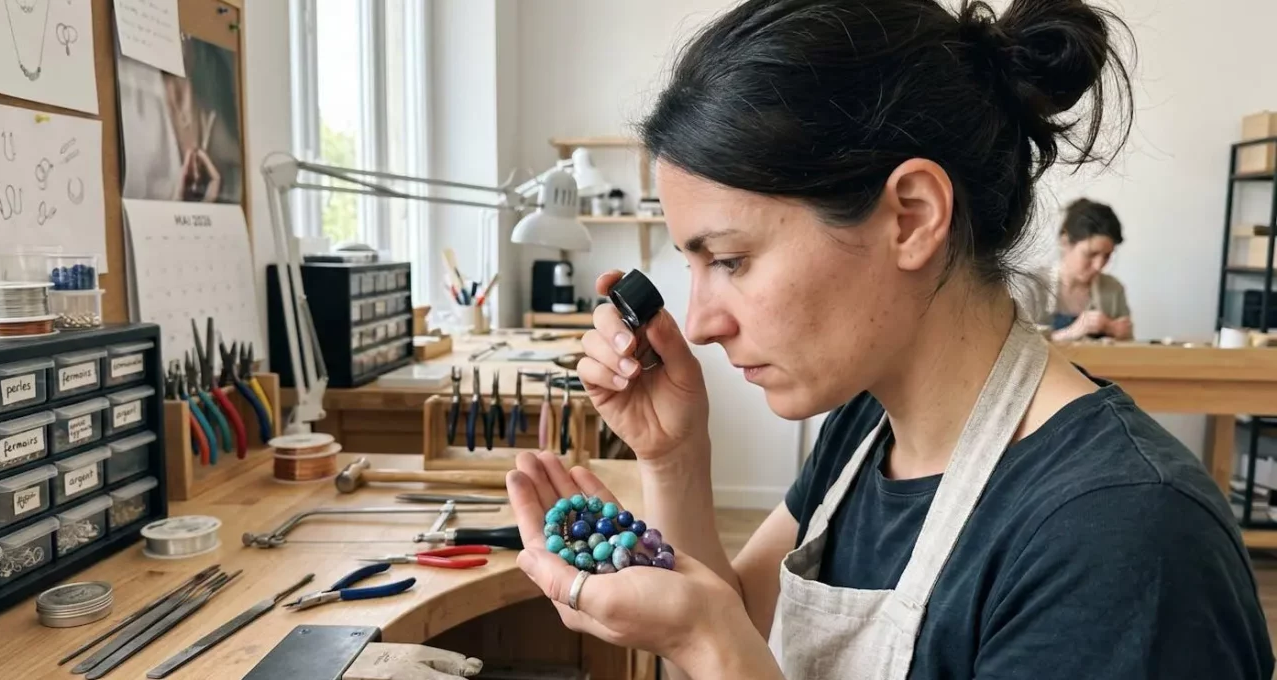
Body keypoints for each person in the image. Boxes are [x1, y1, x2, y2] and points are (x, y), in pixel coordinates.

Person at [505, 0, 1275, 678]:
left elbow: (723, 644)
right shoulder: (864, 430)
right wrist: (675, 456)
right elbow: (737, 618)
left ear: (910, 216)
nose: (702, 322)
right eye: (694, 266)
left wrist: (708, 646)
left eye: (732, 260)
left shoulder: (1125, 541)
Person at [1020, 198, 1133, 341]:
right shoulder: (1032, 286)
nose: (1099, 265)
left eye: (1107, 256)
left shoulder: (1113, 290)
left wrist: (1123, 335)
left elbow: (1131, 354)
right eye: (1091, 254)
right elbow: (1020, 349)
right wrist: (1070, 333)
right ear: (1065, 242)